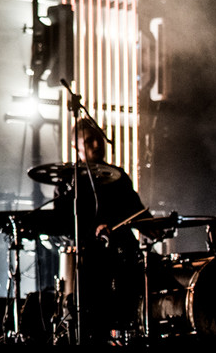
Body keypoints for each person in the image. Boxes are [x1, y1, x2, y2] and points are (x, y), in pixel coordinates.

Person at [52, 118, 149, 344]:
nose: (97, 144)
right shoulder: (69, 182)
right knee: (92, 319)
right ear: (76, 148)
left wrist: (155, 226)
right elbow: (62, 226)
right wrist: (92, 233)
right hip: (89, 265)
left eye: (98, 138)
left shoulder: (118, 177)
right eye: (89, 141)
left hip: (123, 256)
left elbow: (139, 213)